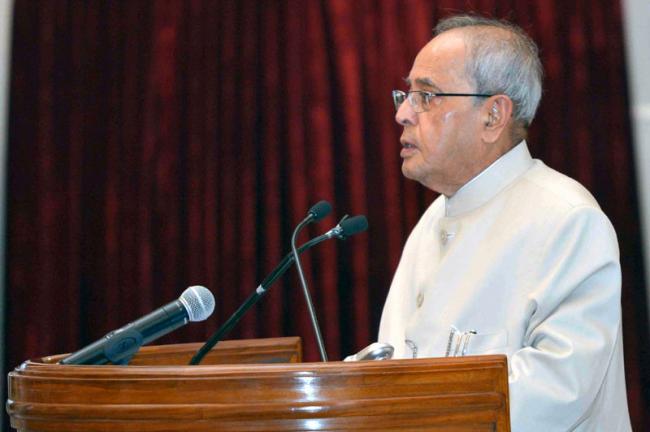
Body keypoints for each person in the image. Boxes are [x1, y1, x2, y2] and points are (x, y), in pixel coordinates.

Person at [378, 14, 631, 431]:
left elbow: (558, 389)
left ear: (493, 116)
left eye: (426, 96)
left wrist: (413, 409)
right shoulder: (432, 221)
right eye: (406, 96)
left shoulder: (567, 219)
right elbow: (396, 359)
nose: (403, 113)